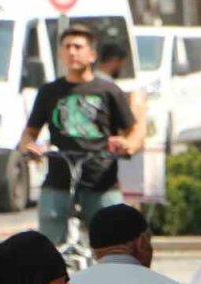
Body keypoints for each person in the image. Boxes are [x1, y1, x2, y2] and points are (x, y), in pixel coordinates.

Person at [18, 24, 140, 245]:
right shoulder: (49, 91)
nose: (72, 52)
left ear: (92, 54)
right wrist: (29, 148)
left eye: (78, 46)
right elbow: (29, 133)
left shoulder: (109, 91)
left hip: (101, 179)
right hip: (58, 179)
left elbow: (134, 131)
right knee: (48, 247)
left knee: (114, 245)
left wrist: (127, 144)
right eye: (67, 47)